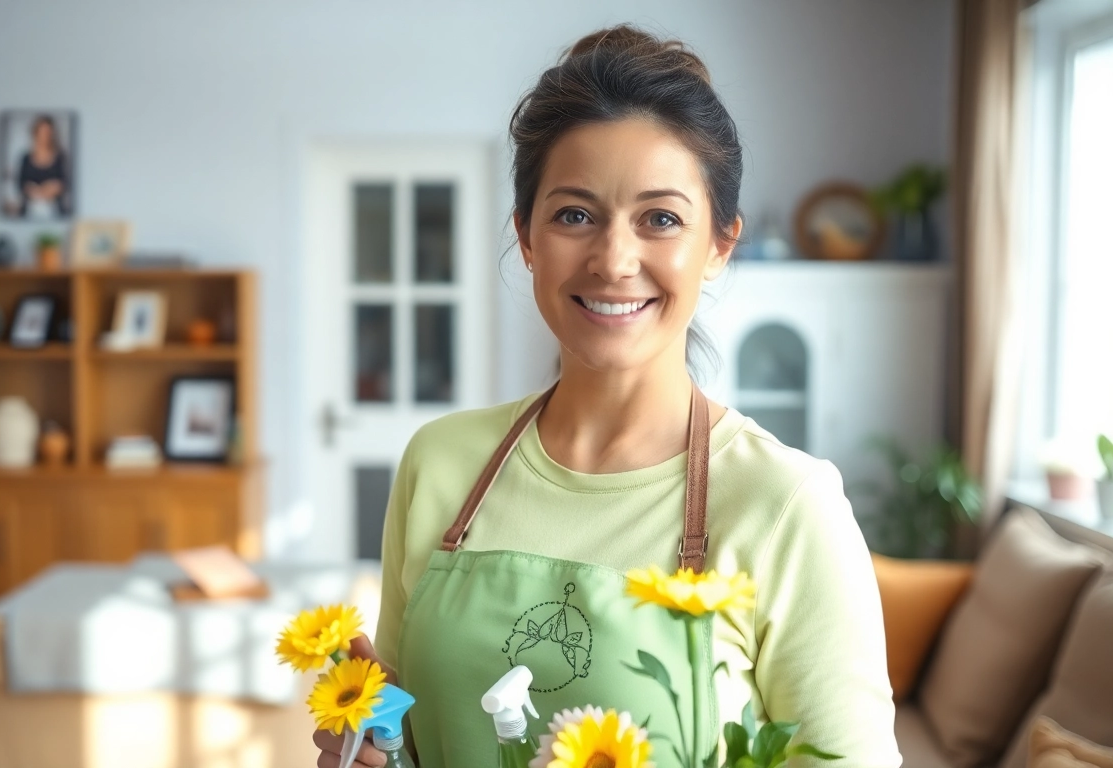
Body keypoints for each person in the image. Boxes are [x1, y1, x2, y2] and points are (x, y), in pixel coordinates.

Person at [313, 25, 899, 768]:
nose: (614, 260)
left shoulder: (786, 504)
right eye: (574, 214)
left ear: (720, 245)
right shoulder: (441, 463)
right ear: (525, 236)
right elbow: (407, 739)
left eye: (661, 219)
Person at [14, 115, 72, 218]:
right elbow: (19, 183)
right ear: (35, 133)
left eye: (47, 132)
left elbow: (66, 182)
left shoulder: (61, 158)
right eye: (41, 132)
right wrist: (30, 189)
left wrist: (54, 187)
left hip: (55, 211)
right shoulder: (25, 158)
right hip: (29, 211)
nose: (44, 136)